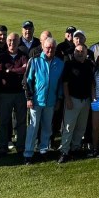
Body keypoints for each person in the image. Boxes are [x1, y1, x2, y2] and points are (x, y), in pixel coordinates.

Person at [23, 37, 64, 165]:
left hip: (51, 102)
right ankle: (28, 153)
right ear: (43, 47)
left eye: (52, 48)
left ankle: (43, 150)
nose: (50, 50)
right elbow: (27, 81)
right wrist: (29, 98)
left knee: (47, 127)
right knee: (33, 127)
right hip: (36, 101)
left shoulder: (59, 63)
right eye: (48, 48)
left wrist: (59, 99)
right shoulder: (35, 60)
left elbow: (60, 84)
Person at [58, 32, 94, 163]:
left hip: (85, 100)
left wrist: (92, 99)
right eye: (77, 51)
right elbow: (65, 83)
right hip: (72, 99)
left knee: (81, 127)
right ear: (74, 52)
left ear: (86, 53)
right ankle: (64, 151)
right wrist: (67, 99)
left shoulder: (89, 64)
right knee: (68, 127)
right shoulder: (69, 64)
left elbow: (92, 84)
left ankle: (75, 148)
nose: (80, 53)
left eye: (82, 51)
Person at [0, 32, 29, 157]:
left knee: (21, 122)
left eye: (14, 40)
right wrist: (17, 71)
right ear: (6, 41)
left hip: (20, 93)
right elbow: (0, 74)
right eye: (9, 40)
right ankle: (2, 147)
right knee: (4, 121)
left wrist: (10, 71)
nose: (12, 43)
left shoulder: (23, 56)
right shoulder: (1, 57)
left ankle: (21, 147)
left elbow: (25, 70)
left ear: (18, 42)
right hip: (5, 94)